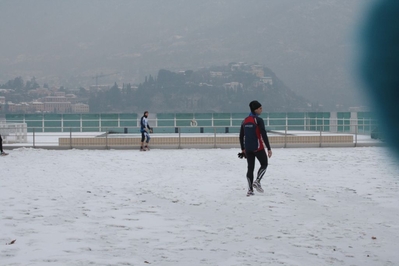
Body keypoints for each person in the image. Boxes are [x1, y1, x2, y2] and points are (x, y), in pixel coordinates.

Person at [239, 100, 272, 196]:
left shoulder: (244, 120)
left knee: (250, 168)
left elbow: (241, 136)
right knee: (264, 164)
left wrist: (243, 148)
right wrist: (269, 148)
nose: (261, 110)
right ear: (255, 109)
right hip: (258, 148)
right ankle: (257, 181)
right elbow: (264, 134)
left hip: (248, 148)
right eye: (260, 108)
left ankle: (250, 190)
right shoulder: (259, 120)